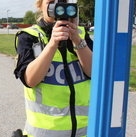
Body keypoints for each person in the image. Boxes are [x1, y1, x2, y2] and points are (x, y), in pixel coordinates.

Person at [13, 0, 93, 136]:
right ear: (40, 6)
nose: (58, 6)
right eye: (51, 2)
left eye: (62, 2)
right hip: (45, 132)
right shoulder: (29, 36)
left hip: (83, 132)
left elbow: (94, 73)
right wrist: (52, 44)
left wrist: (77, 40)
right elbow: (30, 80)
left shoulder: (81, 34)